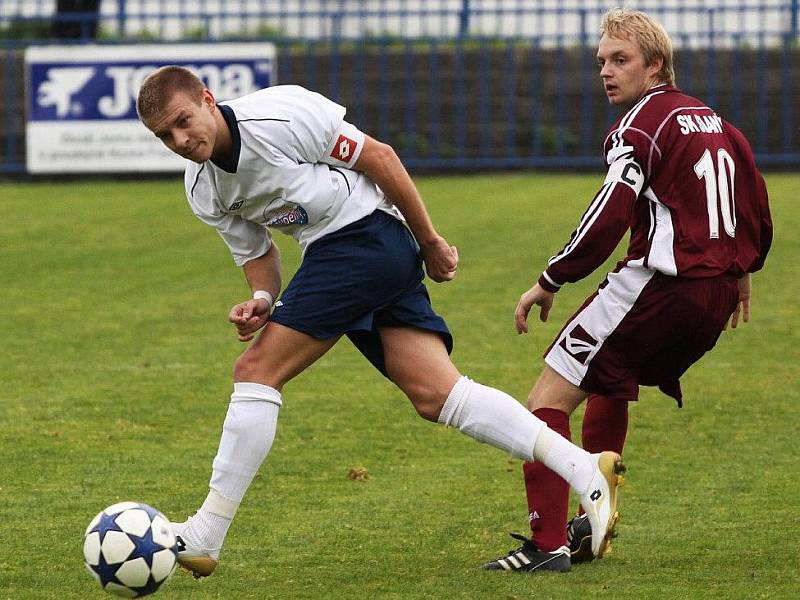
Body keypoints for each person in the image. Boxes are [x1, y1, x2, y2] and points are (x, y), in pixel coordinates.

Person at [135, 66, 625, 578]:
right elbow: (258, 254)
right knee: (438, 395)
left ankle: (206, 533)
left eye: (183, 122)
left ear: (208, 100)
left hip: (363, 239)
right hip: (346, 254)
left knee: (256, 371)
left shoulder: (280, 115)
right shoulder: (202, 188)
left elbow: (379, 158)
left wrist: (430, 240)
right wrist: (262, 296)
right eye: (164, 136)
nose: (180, 140)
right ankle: (584, 468)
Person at [481, 7, 772, 573]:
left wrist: (552, 278)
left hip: (663, 284)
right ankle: (591, 529)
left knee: (548, 397)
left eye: (621, 60)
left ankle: (546, 546)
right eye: (601, 62)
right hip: (711, 296)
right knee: (612, 381)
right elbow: (754, 202)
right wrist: (743, 271)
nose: (608, 72)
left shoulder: (638, 126)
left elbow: (609, 212)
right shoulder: (714, 121)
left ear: (656, 64)